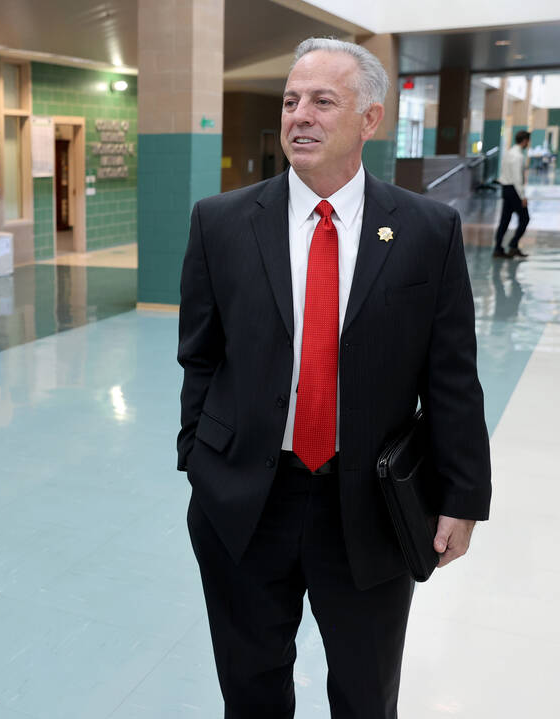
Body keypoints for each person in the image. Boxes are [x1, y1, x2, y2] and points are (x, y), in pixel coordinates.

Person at [178, 38, 491, 718]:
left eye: (323, 101)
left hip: (369, 505)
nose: (300, 116)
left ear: (369, 119)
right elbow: (199, 356)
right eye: (291, 101)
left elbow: (451, 378)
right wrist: (196, 459)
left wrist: (461, 495)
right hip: (244, 501)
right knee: (251, 686)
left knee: (363, 690)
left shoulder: (422, 230)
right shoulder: (222, 223)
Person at [494, 130, 531, 259]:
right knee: (525, 218)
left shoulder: (508, 153)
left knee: (505, 220)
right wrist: (523, 196)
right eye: (528, 141)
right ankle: (513, 245)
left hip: (506, 188)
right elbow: (517, 178)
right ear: (525, 140)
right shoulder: (518, 156)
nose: (528, 144)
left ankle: (498, 248)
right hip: (514, 190)